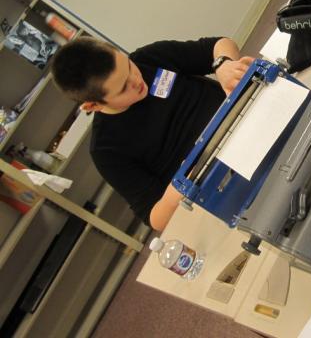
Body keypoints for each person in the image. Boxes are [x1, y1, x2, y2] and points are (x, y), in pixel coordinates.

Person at [52, 36, 254, 231]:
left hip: (247, 119)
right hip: (220, 181)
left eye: (129, 66)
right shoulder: (106, 149)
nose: (137, 80)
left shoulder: (146, 58)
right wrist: (180, 186)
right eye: (123, 88)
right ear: (92, 106)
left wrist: (223, 64)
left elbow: (218, 45)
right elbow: (155, 218)